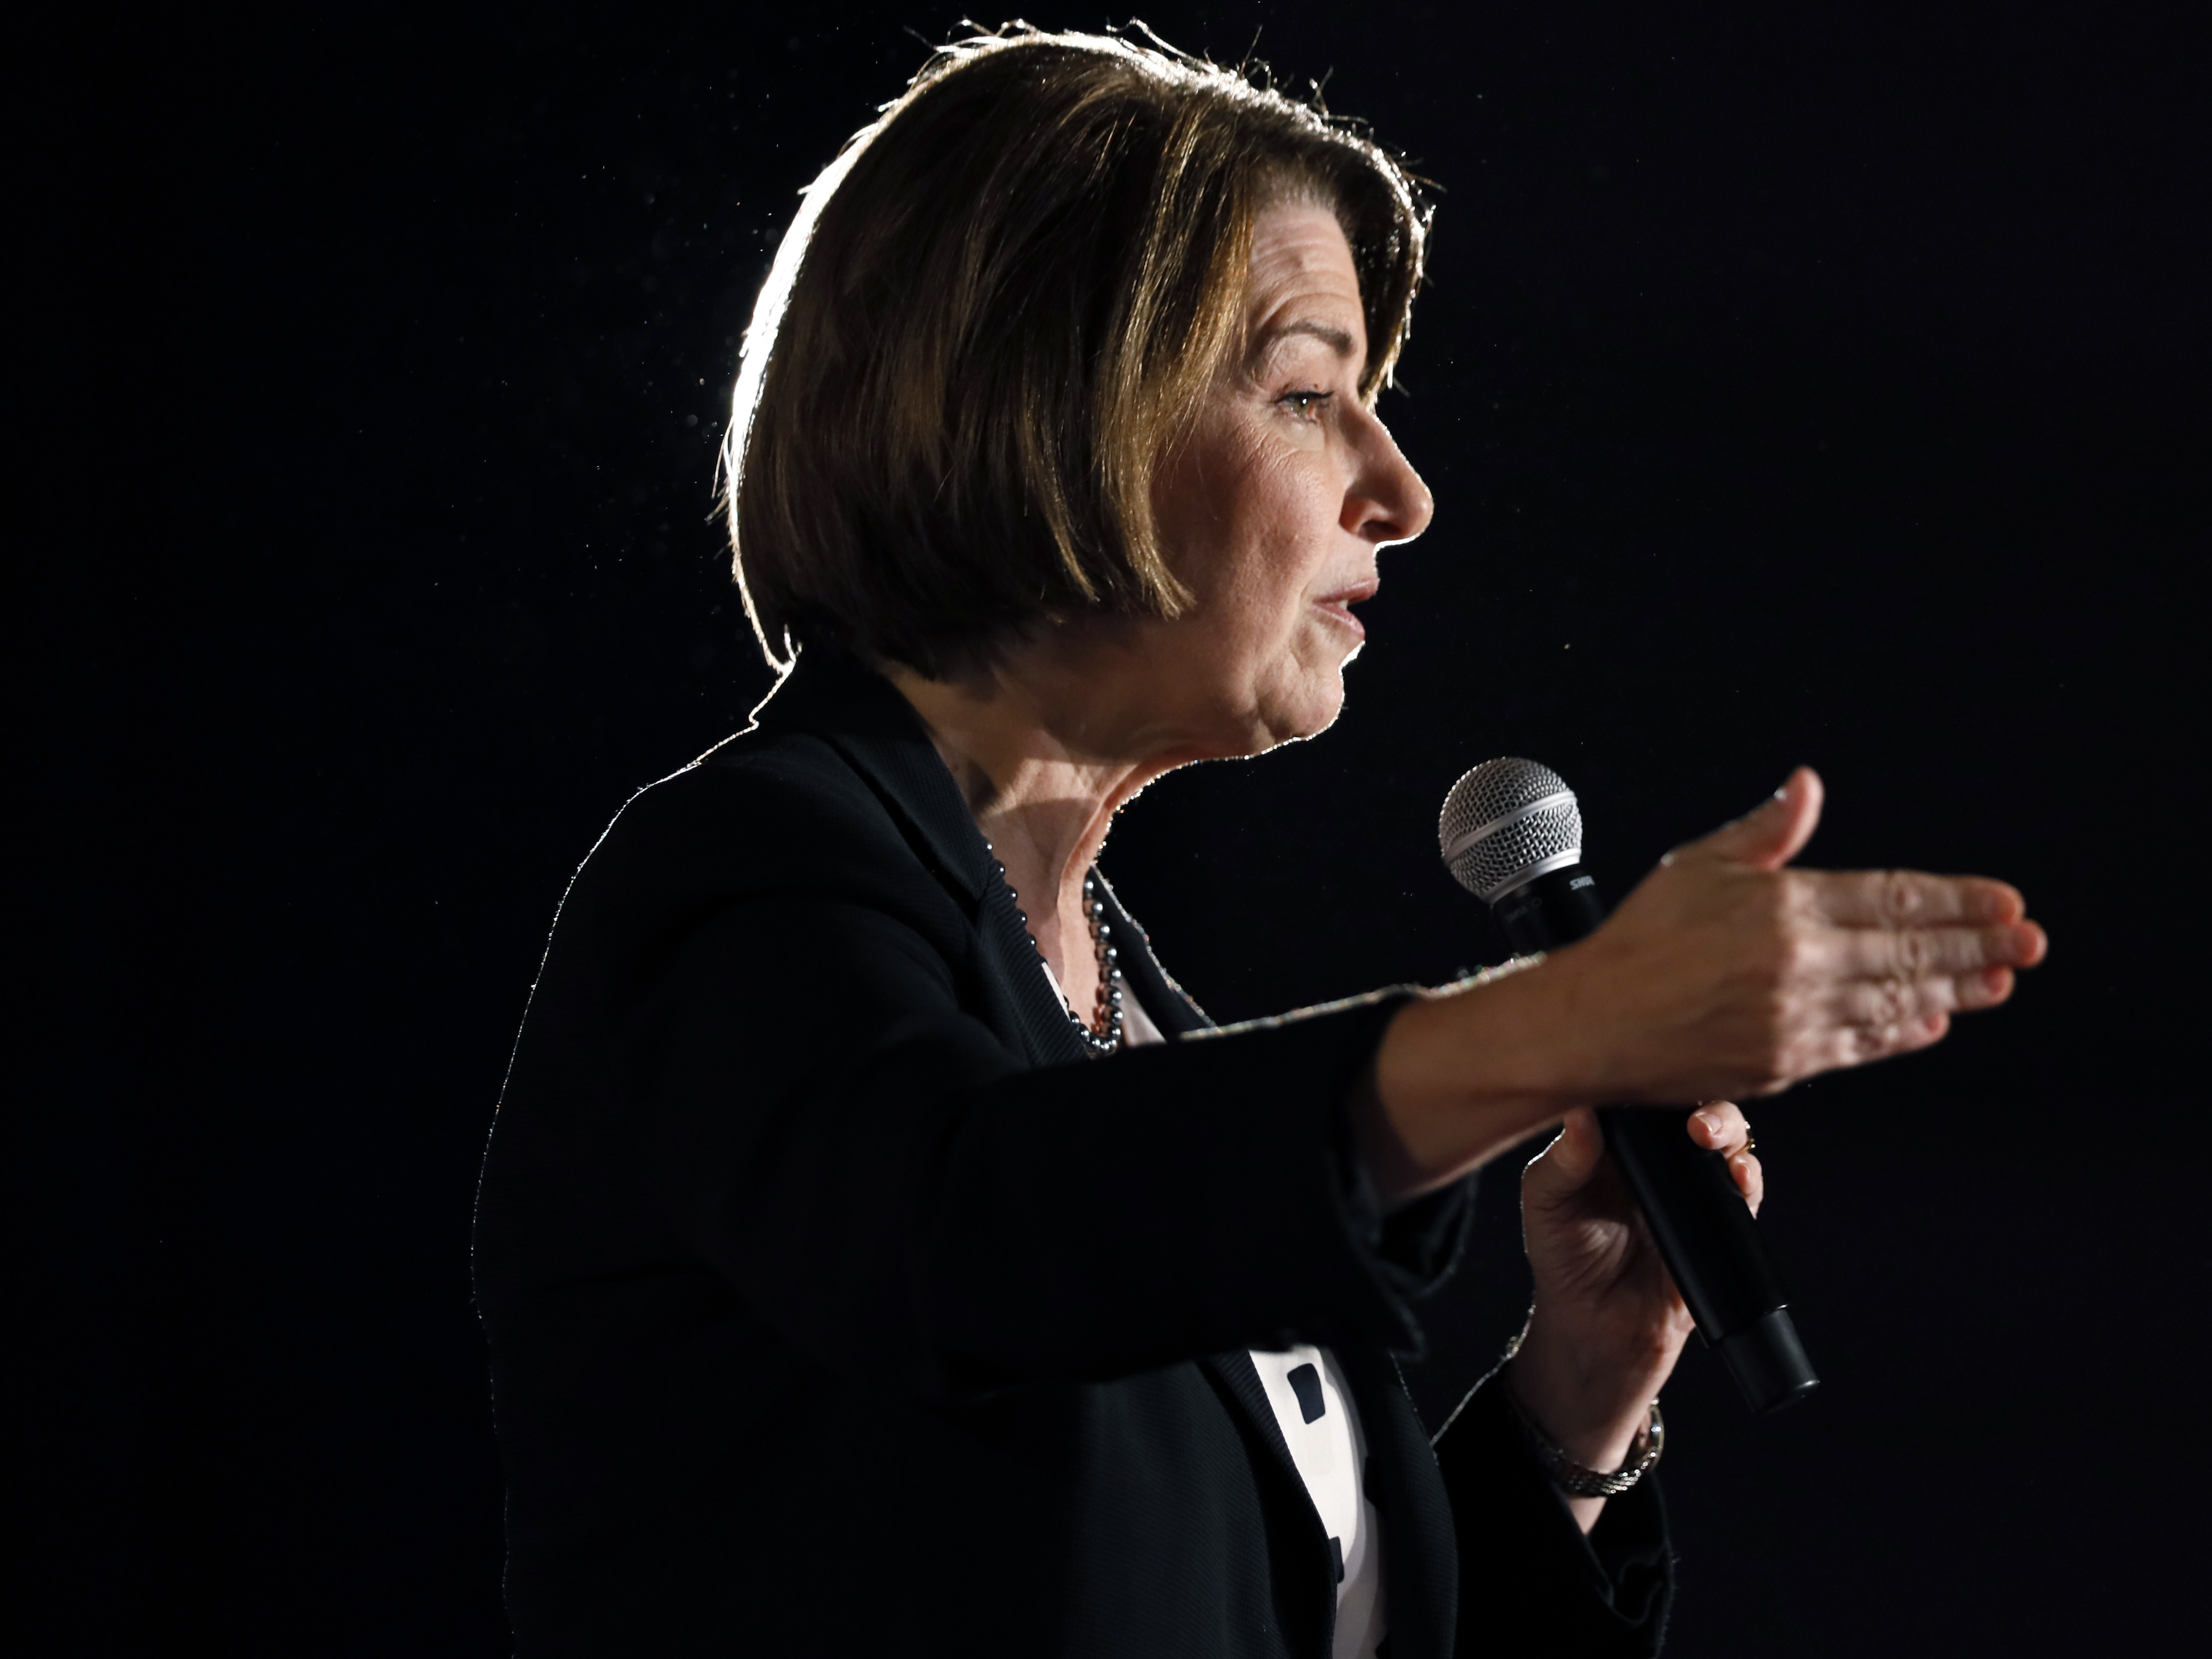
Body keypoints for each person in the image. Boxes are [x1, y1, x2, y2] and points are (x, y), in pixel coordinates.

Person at [472, 26, 2045, 1658]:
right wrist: (1556, 1024)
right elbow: (973, 1238)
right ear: (1047, 405)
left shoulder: (1136, 1022)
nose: (1400, 488)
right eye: (1307, 392)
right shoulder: (745, 882)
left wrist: (1569, 1413)